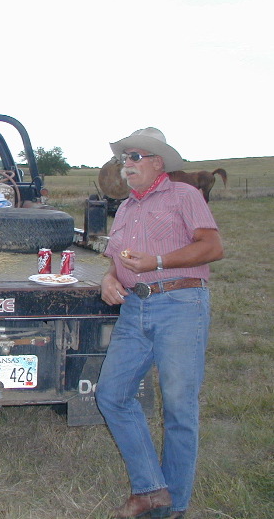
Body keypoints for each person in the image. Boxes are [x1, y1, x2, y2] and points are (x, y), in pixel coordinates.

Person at [96, 127, 224, 519]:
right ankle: (152, 489)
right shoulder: (126, 208)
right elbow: (119, 259)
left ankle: (174, 508)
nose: (127, 165)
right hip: (136, 307)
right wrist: (110, 277)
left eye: (135, 157)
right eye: (124, 158)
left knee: (179, 408)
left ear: (157, 163)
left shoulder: (184, 195)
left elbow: (212, 247)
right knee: (112, 394)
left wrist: (158, 263)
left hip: (181, 303)